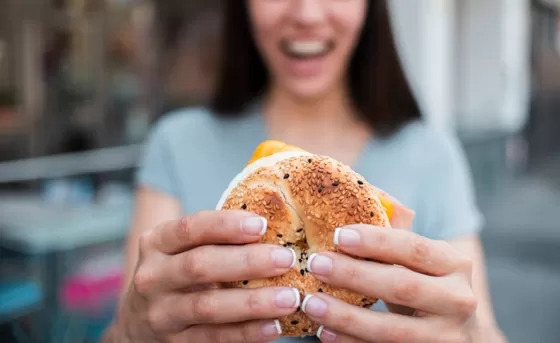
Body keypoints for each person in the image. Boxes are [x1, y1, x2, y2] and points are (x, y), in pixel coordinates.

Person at [103, 1, 508, 342]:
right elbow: (130, 319)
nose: (307, 13)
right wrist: (132, 330)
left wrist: (467, 334)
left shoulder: (431, 153)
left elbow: (483, 327)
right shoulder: (178, 143)